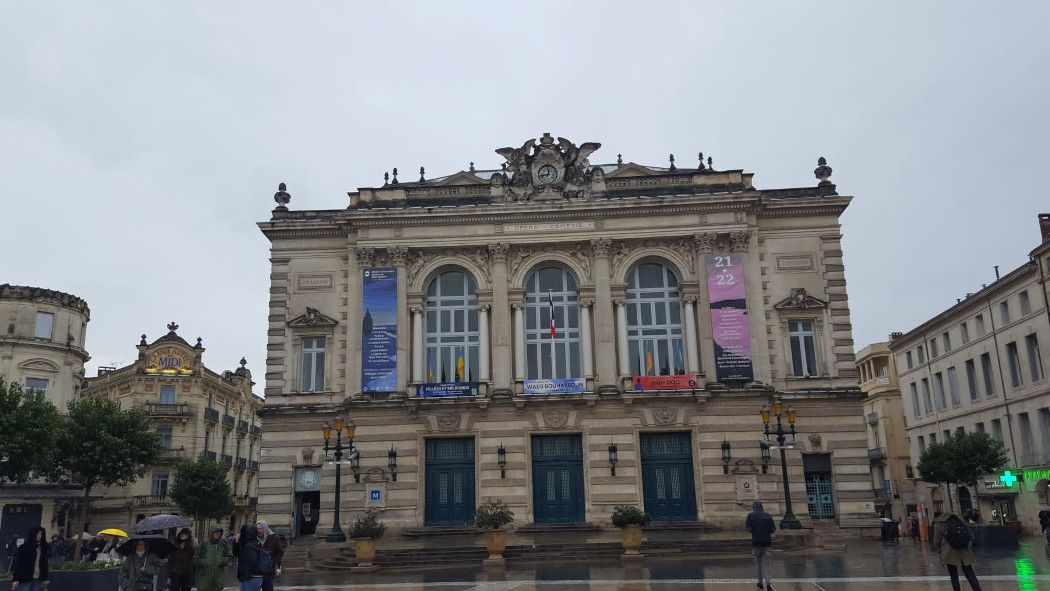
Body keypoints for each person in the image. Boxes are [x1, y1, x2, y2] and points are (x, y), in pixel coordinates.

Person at [932, 510, 983, 591]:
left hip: (949, 552)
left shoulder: (938, 522)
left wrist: (938, 548)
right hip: (964, 550)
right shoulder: (958, 518)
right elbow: (970, 534)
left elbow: (936, 541)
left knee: (954, 576)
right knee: (970, 573)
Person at [745, 501, 776, 591]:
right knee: (767, 564)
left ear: (754, 507)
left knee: (758, 564)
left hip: (756, 543)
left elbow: (748, 529)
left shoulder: (750, 515)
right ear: (762, 507)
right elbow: (773, 529)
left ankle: (759, 583)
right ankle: (768, 583)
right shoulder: (768, 515)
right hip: (767, 542)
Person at [194, 525, 233, 591]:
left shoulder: (224, 544)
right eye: (215, 532)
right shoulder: (204, 544)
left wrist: (221, 561)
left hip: (218, 580)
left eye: (219, 532)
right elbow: (195, 558)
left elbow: (229, 556)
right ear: (211, 533)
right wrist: (204, 562)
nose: (217, 534)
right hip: (204, 580)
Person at [10, 527, 48, 591]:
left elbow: (44, 564)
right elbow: (18, 564)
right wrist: (15, 579)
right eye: (37, 533)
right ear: (33, 534)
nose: (39, 535)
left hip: (37, 578)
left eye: (41, 533)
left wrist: (44, 578)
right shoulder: (24, 547)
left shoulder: (43, 547)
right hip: (25, 578)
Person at [256, 520, 284, 591]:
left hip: (268, 572)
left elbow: (280, 552)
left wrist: (272, 562)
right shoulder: (254, 539)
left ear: (265, 528)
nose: (258, 531)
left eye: (260, 528)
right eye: (257, 529)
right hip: (256, 573)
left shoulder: (274, 538)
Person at [234, 524, 264, 591]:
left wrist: (244, 570)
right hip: (247, 577)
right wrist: (236, 543)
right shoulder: (254, 543)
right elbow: (236, 553)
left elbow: (253, 562)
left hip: (251, 577)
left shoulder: (250, 546)